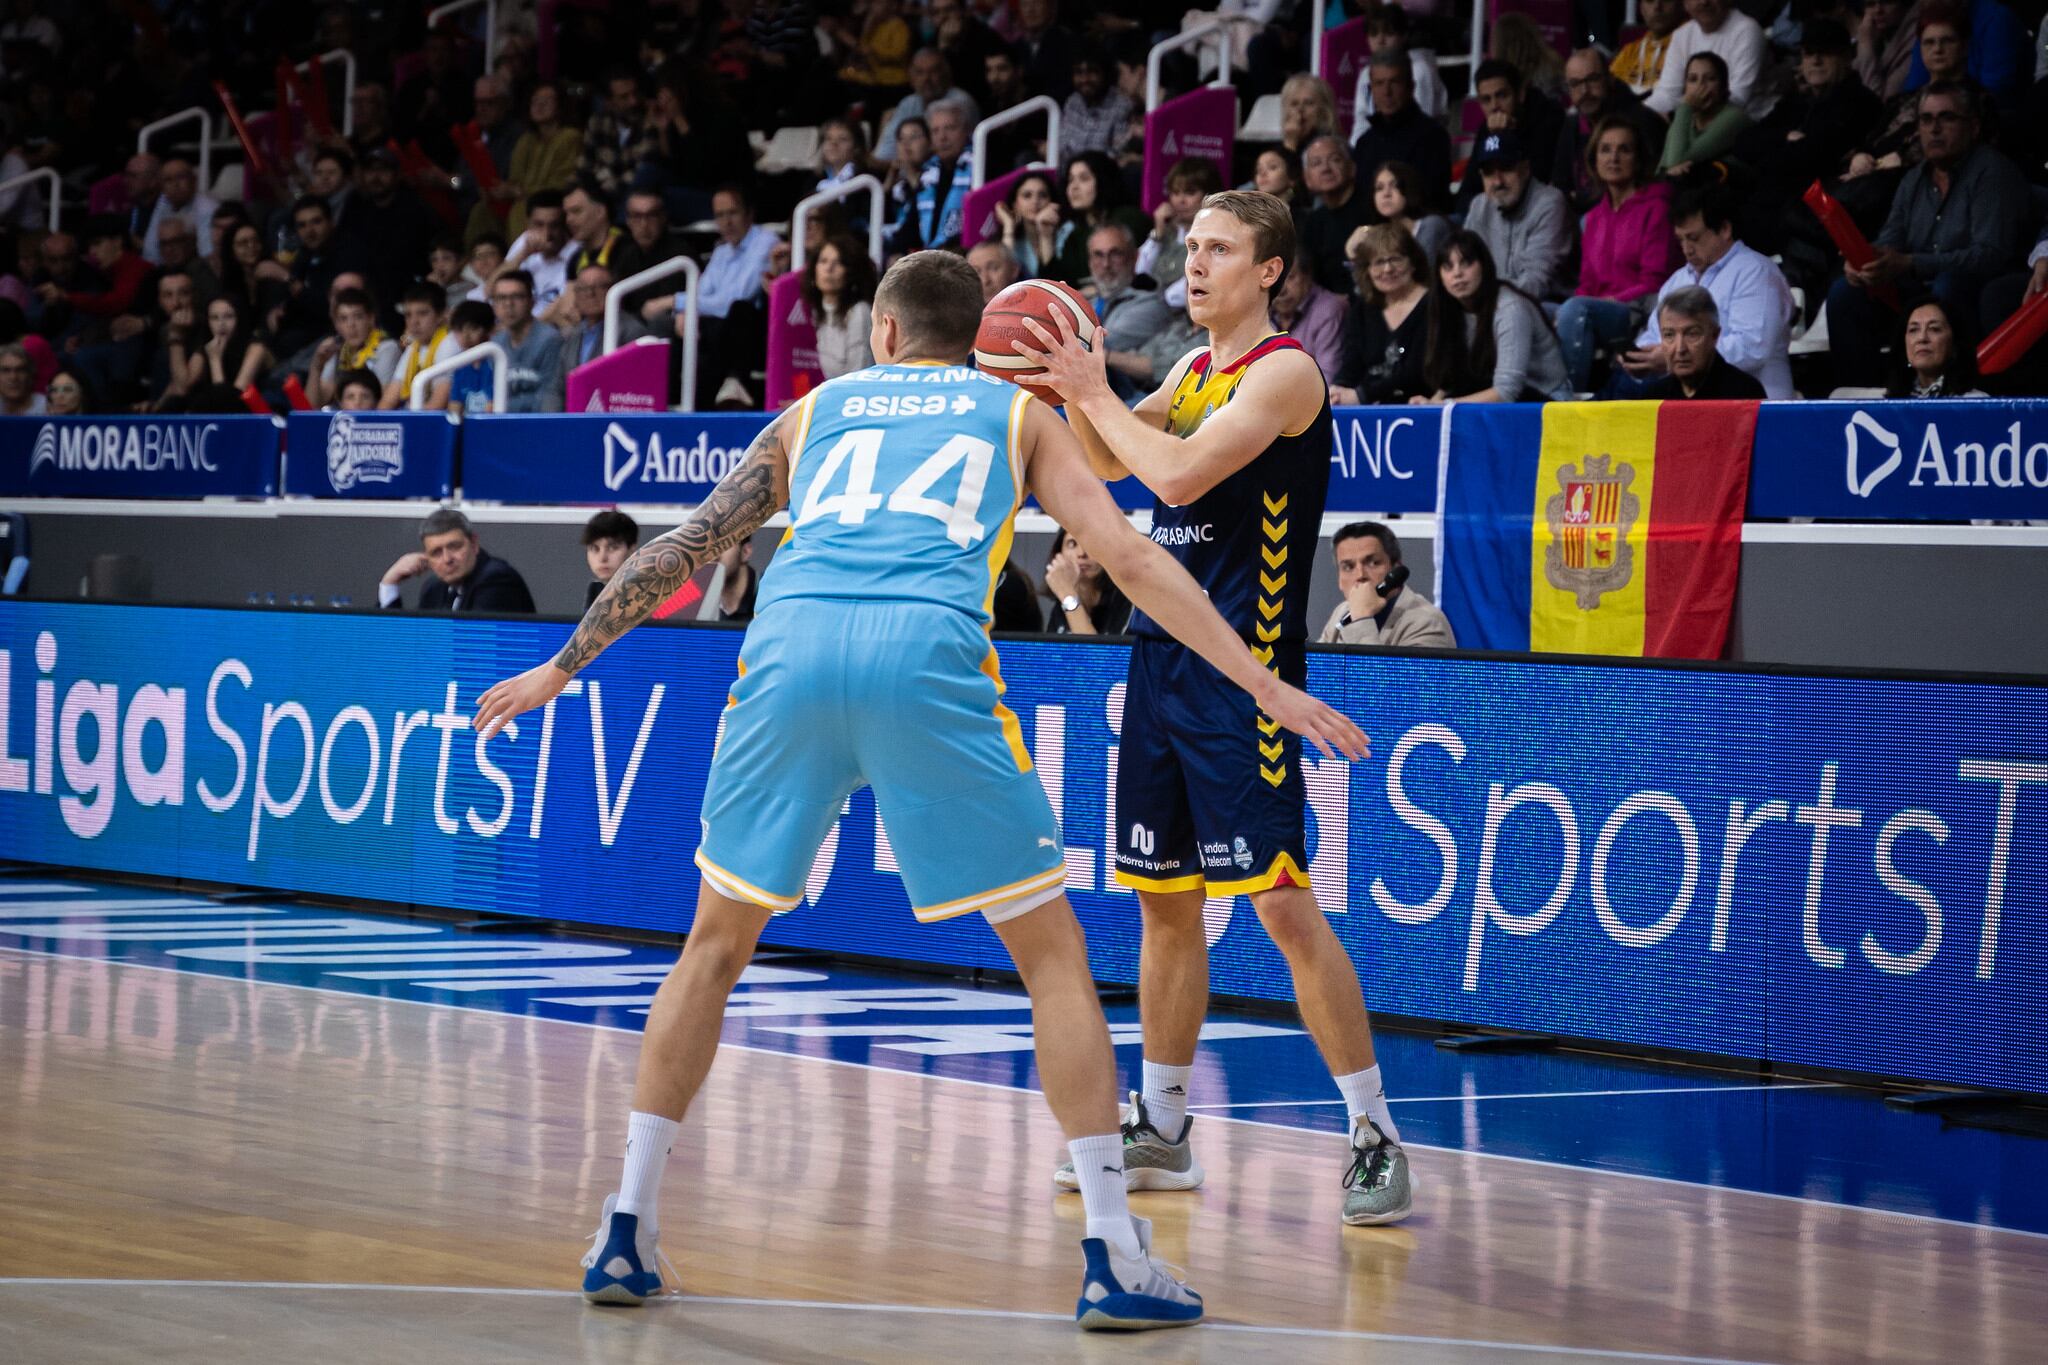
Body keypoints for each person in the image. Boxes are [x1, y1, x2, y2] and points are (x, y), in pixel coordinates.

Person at [471, 249, 1366, 1324]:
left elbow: (689, 543)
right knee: (1051, 963)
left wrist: (560, 667)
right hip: (925, 660)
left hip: (789, 652)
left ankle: (624, 1226)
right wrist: (1264, 682)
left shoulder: (818, 408)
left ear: (884, 335)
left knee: (712, 947)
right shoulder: (1015, 417)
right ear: (980, 339)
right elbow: (1128, 559)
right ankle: (1113, 1254)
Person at [1018, 191, 1411, 1227]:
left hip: (1246, 669)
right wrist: (1067, 394)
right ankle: (1164, 1125)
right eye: (1187, 247)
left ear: (1269, 270)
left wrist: (1094, 391)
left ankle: (1373, 1129)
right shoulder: (1191, 369)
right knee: (1162, 902)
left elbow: (1180, 478)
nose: (1191, 265)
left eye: (1217, 249)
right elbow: (1107, 464)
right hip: (1158, 660)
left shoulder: (1283, 374)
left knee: (1280, 903)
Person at [1825, 81, 2028, 390]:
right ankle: (1859, 400)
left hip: (1974, 291)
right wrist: (1865, 261)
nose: (1934, 129)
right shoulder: (1913, 179)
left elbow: (1990, 255)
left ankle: (1955, 390)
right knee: (1845, 293)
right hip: (1918, 293)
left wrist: (1910, 263)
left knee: (1947, 288)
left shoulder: (1992, 172)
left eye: (1946, 118)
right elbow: (1890, 239)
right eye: (1926, 120)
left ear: (1973, 127)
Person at [1616, 186, 1795, 398]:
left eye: (1694, 238)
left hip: (1754, 403)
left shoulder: (1756, 272)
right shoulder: (1677, 280)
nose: (1687, 249)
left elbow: (1752, 348)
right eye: (1681, 239)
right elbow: (1654, 336)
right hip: (1687, 402)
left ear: (1724, 229)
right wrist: (1641, 358)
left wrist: (1669, 357)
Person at [1556, 118, 1680, 392]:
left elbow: (1654, 283)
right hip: (1597, 307)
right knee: (1539, 311)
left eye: (1624, 149)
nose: (1613, 157)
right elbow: (1586, 283)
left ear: (1638, 159)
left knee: (1576, 310)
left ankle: (1565, 402)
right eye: (1605, 149)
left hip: (1638, 309)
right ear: (1594, 158)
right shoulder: (1592, 218)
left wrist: (1609, 300)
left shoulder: (1657, 207)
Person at [1416, 230, 1573, 403]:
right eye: (1448, 266)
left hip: (1547, 401)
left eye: (1466, 263)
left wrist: (1443, 406)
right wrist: (1429, 404)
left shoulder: (1510, 309)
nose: (1457, 273)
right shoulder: (1448, 309)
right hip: (1500, 401)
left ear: (1484, 266)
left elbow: (1507, 391)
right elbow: (1451, 381)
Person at [1463, 131, 1573, 303]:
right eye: (1489, 172)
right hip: (1490, 303)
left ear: (1525, 169)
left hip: (1544, 306)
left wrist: (1479, 294)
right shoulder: (1479, 206)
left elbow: (1535, 283)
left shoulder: (1549, 203)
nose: (1497, 181)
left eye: (1506, 168)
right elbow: (1466, 265)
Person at [1552, 47, 1665, 211]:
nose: (1585, 91)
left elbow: (1644, 185)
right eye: (1575, 84)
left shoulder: (1640, 121)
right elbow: (1561, 184)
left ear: (1609, 79)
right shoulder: (1572, 125)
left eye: (1592, 79)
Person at [1330, 224, 1429, 405]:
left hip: (1419, 407)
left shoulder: (1432, 305)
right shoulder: (1362, 309)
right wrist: (1338, 388)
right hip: (1372, 410)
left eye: (1395, 259)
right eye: (1378, 262)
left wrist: (1362, 395)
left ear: (1413, 262)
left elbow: (1417, 372)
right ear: (1367, 270)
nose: (1387, 269)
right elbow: (1352, 362)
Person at [1452, 59, 1566, 214]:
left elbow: (1539, 180)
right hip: (1494, 214)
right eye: (1486, 100)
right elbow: (1465, 195)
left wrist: (1511, 135)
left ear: (1520, 94)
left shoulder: (1548, 119)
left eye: (1502, 96)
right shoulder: (1486, 130)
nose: (1494, 106)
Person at [1317, 521, 1455, 647]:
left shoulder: (1427, 623)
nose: (1360, 575)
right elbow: (1316, 671)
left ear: (1395, 569)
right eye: (1348, 567)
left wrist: (1361, 619)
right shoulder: (1342, 612)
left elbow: (1373, 674)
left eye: (1373, 563)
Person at [1350, 50, 1453, 212]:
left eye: (1395, 82)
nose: (1387, 92)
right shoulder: (1365, 143)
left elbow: (1432, 198)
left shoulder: (1433, 137)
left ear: (1411, 87)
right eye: (1379, 84)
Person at [381, 507, 536, 612]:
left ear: (474, 544)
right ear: (426, 557)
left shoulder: (497, 580)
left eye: (454, 547)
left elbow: (469, 645)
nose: (447, 559)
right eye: (436, 553)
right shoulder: (433, 588)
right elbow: (405, 642)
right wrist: (389, 583)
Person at [1645, 0, 1775, 120]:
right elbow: (1667, 94)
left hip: (1747, 122)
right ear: (1685, 4)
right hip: (1695, 119)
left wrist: (1678, 113)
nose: (1704, 2)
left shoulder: (1747, 30)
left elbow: (1738, 99)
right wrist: (1638, 115)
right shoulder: (1682, 35)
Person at [1088, 223, 1174, 402]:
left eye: (1115, 254)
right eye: (1098, 255)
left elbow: (1097, 345)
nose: (1106, 264)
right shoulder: (1091, 301)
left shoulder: (1150, 304)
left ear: (1134, 258)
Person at [1640, 286, 1767, 399]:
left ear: (1715, 336)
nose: (1680, 348)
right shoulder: (1654, 397)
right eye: (1669, 335)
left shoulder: (1744, 393)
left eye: (1692, 334)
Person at [890, 98, 975, 253]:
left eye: (950, 128)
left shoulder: (980, 165)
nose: (942, 137)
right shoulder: (929, 173)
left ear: (966, 130)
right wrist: (896, 252)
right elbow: (912, 224)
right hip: (934, 257)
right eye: (935, 131)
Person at [1051, 151, 1148, 285]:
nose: (1074, 187)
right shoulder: (1073, 236)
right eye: (1070, 180)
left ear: (1103, 181)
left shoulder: (1129, 219)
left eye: (1084, 179)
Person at [1348, 8, 1448, 136]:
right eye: (1374, 33)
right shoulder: (1365, 74)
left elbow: (1422, 122)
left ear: (1404, 36)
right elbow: (1361, 122)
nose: (1380, 40)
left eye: (1388, 33)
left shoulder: (1419, 69)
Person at [1138, 158, 1224, 299]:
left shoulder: (1217, 237)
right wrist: (1158, 234)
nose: (1180, 201)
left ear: (1209, 195)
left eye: (1189, 193)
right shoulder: (1165, 231)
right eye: (1175, 193)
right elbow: (1139, 272)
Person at [1298, 136, 1373, 295]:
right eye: (1316, 163)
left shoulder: (1373, 210)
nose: (1326, 168)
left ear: (1352, 168)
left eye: (1334, 160)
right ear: (1307, 179)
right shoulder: (1313, 222)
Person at [1660, 52, 1751, 178]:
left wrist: (1685, 107)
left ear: (1723, 86)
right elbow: (1662, 170)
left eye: (1710, 79)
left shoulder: (1735, 118)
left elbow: (1676, 163)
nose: (1700, 86)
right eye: (1693, 79)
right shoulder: (1687, 119)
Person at [306, 288, 400, 409]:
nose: (351, 325)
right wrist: (316, 366)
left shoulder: (387, 348)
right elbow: (311, 407)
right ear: (336, 325)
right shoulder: (336, 351)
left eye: (358, 317)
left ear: (371, 319)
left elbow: (382, 403)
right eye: (343, 319)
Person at [1269, 242, 1347, 377]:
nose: (1281, 290)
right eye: (1274, 279)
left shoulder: (1328, 310)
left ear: (1307, 277)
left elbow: (1327, 379)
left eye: (1290, 277)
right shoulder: (1260, 309)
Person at [804, 234, 878, 377]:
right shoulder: (810, 310)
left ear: (852, 273)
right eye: (823, 261)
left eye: (839, 263)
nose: (829, 268)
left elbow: (857, 376)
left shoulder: (859, 312)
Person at [1885, 297, 1986, 397]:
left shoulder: (1975, 401)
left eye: (1934, 329)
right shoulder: (1886, 402)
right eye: (1913, 329)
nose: (1922, 338)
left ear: (1955, 343)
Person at [560, 263, 646, 377]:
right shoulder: (572, 334)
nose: (590, 293)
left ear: (612, 290)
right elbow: (556, 387)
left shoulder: (631, 331)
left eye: (599, 286)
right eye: (583, 288)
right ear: (576, 295)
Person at [1042, 525, 1131, 634]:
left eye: (1092, 544)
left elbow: (1093, 650)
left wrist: (1068, 596)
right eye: (1072, 544)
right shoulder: (1061, 602)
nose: (1081, 553)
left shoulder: (1126, 600)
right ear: (1059, 554)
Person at [384, 284, 461, 409]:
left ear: (441, 315)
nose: (414, 322)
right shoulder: (414, 347)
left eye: (422, 313)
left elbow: (438, 404)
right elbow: (389, 399)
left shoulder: (449, 344)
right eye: (408, 315)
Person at [189, 293, 273, 395]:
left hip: (258, 406)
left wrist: (215, 360)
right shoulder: (206, 347)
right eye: (214, 318)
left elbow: (232, 400)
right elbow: (182, 388)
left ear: (239, 319)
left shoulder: (256, 347)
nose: (221, 324)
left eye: (228, 316)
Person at [141, 158, 218, 267]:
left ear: (194, 181)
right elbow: (150, 252)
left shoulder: (207, 208)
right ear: (161, 187)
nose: (175, 184)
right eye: (168, 180)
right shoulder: (164, 201)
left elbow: (207, 256)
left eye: (181, 177)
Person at [1062, 45, 1133, 157]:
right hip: (1069, 171)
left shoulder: (1122, 105)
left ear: (1105, 73)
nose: (1084, 79)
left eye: (1091, 72)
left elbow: (1117, 154)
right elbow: (1063, 146)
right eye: (1079, 72)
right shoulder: (1072, 102)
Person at [993, 171, 1063, 278]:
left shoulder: (1067, 234)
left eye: (1042, 195)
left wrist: (1046, 236)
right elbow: (1003, 279)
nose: (1035, 201)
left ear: (1052, 201)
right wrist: (1008, 225)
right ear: (1015, 204)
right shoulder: (1014, 241)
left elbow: (1052, 284)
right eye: (1027, 195)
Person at [1612, 0, 1685, 97]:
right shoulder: (1629, 51)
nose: (1657, 7)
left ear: (1681, 5)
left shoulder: (1689, 44)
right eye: (1650, 0)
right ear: (1641, 8)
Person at [443, 299, 498, 414]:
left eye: (473, 328)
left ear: (490, 330)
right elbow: (455, 407)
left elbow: (492, 408)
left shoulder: (495, 363)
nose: (465, 336)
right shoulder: (460, 366)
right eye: (459, 329)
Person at [582, 509, 641, 608]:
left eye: (613, 548)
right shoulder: (595, 590)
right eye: (595, 548)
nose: (602, 558)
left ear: (631, 550)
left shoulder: (649, 595)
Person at [0, 342, 41, 414]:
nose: (13, 377)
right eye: (5, 370)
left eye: (20, 370)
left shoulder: (48, 408)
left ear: (29, 374)